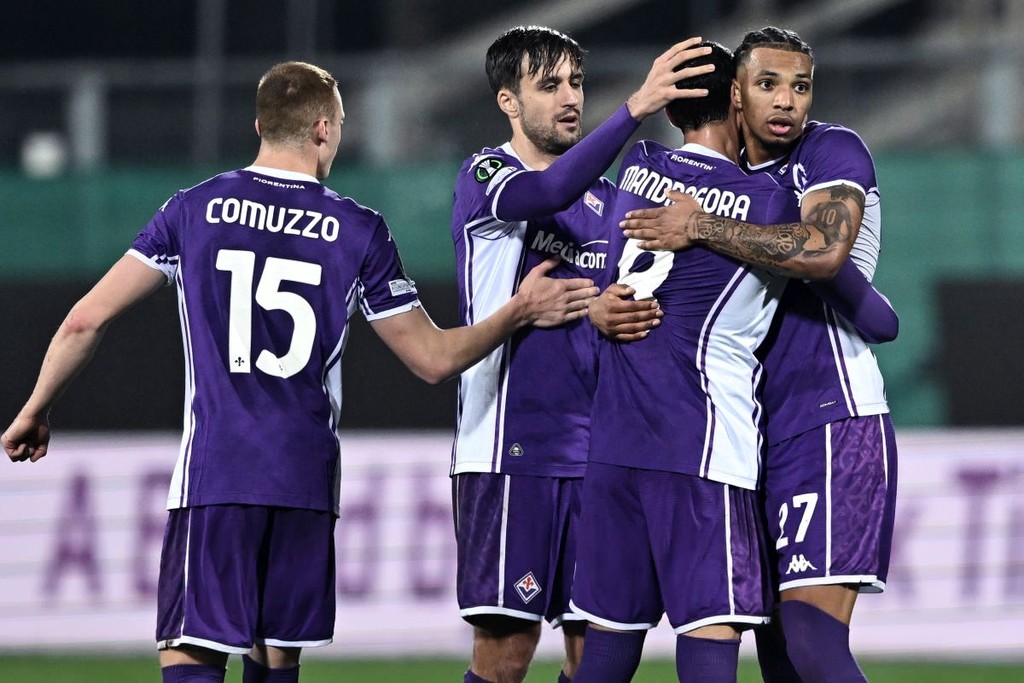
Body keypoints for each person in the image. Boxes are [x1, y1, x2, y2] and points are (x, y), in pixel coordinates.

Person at [1, 61, 600, 683]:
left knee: (192, 655)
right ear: (323, 129)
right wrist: (518, 312)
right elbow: (433, 360)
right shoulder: (359, 229)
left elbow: (84, 320)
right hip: (304, 483)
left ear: (260, 124)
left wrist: (35, 409)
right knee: (276, 660)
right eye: (340, 125)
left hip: (217, 474)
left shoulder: (192, 209)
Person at [617, 27, 899, 683]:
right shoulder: (721, 180)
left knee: (812, 640)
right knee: (777, 654)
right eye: (768, 83)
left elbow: (823, 250)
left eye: (801, 86)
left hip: (829, 417)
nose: (787, 101)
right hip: (744, 434)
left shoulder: (830, 151)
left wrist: (700, 226)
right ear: (735, 95)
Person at [450, 26, 715, 683]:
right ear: (508, 101)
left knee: (591, 654)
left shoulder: (606, 202)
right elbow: (546, 195)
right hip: (509, 450)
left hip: (596, 455)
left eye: (575, 83)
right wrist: (636, 107)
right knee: (506, 654)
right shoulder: (489, 175)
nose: (570, 97)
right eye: (549, 85)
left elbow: (616, 295)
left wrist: (609, 307)